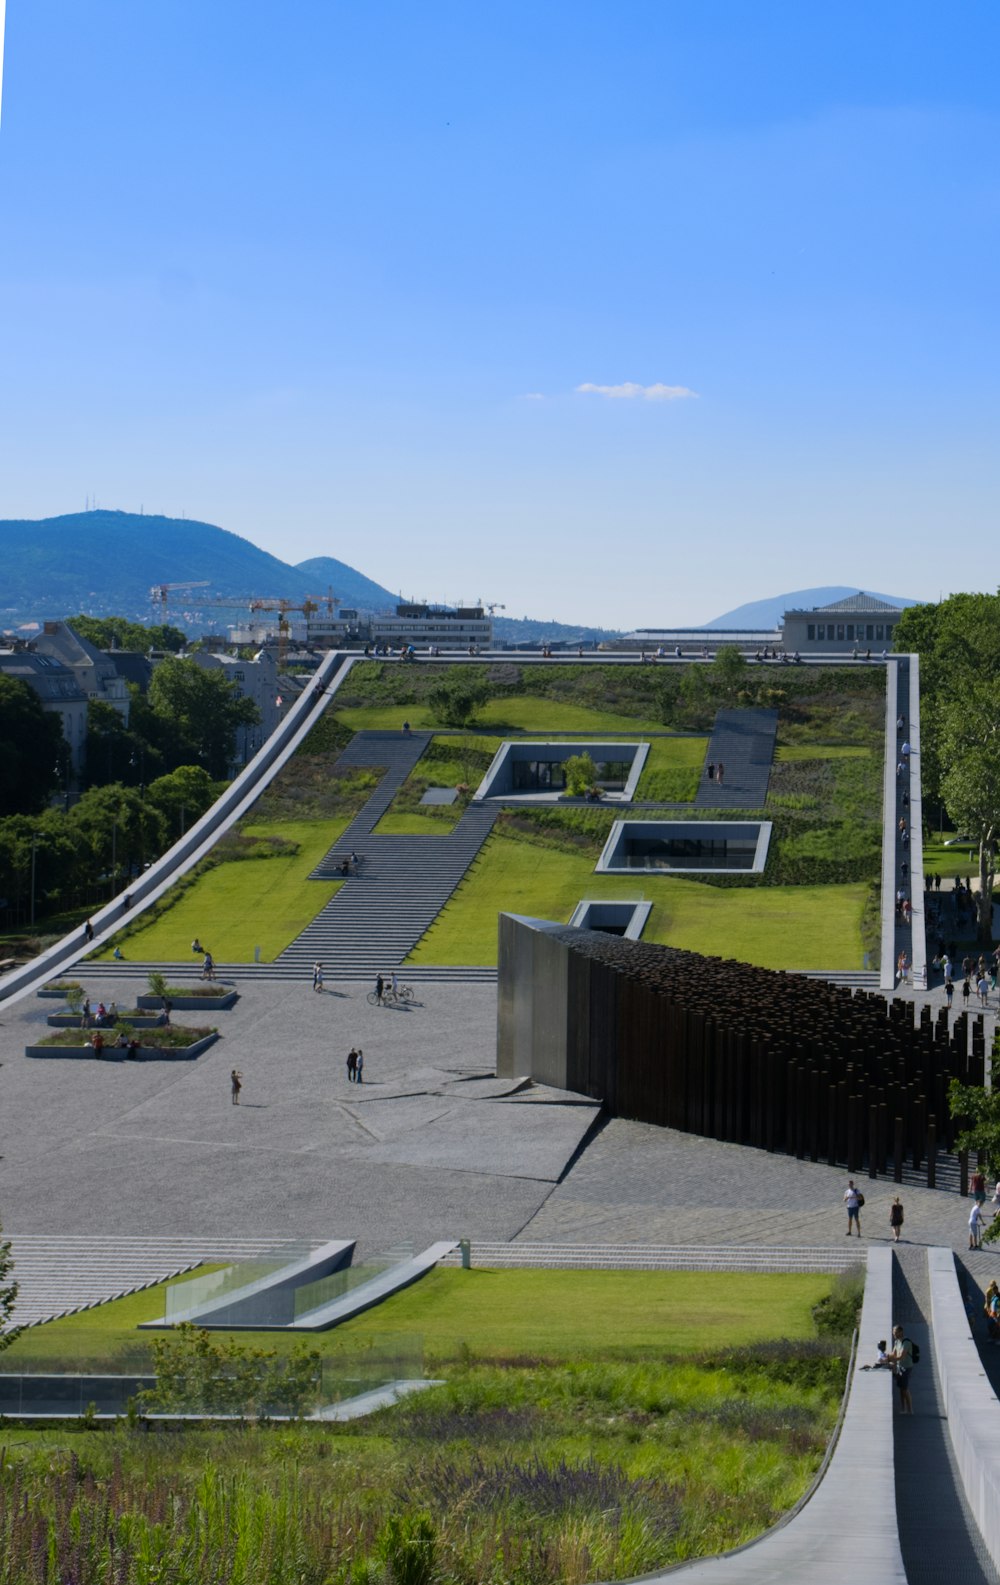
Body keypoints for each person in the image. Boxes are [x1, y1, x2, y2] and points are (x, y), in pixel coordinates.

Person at [890, 1327, 914, 1414]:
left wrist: (891, 1360)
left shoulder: (906, 1342)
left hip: (906, 1368)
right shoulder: (897, 1342)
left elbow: (901, 1356)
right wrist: (886, 1358)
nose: (893, 1334)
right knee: (901, 1388)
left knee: (905, 1388)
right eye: (893, 1332)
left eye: (895, 1332)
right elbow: (894, 1354)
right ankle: (903, 1409)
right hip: (900, 1367)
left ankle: (910, 1409)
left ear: (901, 1332)